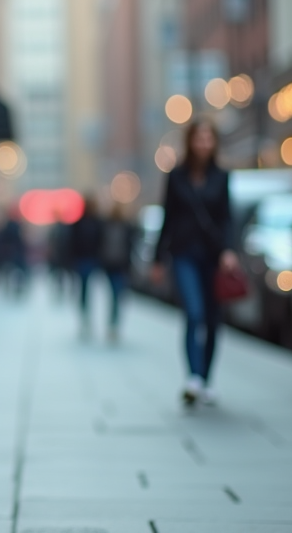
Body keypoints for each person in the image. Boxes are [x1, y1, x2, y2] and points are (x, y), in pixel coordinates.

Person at [153, 120, 239, 407]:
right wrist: (157, 257)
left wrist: (229, 250)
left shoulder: (222, 177)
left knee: (213, 320)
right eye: (199, 138)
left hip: (213, 256)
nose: (203, 143)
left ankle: (206, 378)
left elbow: (227, 217)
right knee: (194, 313)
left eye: (208, 138)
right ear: (190, 141)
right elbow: (167, 217)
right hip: (184, 254)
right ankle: (193, 377)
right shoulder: (176, 176)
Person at [100, 202, 138, 342]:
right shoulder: (109, 225)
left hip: (118, 266)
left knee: (116, 295)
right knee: (116, 295)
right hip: (113, 266)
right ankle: (114, 323)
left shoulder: (125, 226)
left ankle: (114, 323)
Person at [69, 195, 105, 337]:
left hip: (88, 260)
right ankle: (85, 316)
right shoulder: (90, 223)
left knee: (86, 290)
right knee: (85, 289)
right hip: (84, 260)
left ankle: (85, 315)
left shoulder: (89, 223)